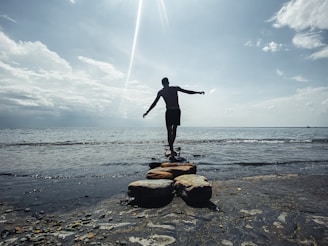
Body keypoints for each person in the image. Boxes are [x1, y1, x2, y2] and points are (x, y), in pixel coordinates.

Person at [143, 77, 205, 160]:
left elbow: (154, 103)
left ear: (164, 83)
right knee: (172, 130)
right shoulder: (170, 90)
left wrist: (147, 112)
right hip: (174, 111)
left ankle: (171, 149)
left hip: (172, 111)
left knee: (171, 130)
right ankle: (171, 149)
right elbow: (187, 92)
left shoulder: (164, 91)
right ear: (168, 82)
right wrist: (198, 92)